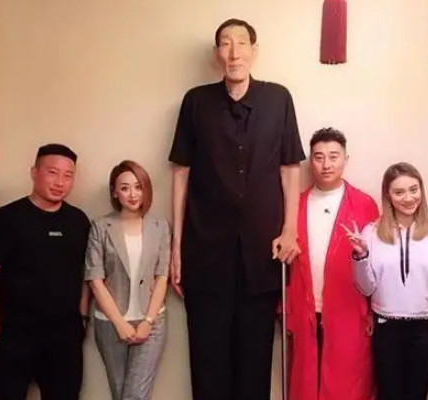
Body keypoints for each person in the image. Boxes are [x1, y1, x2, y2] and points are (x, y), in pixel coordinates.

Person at [168, 18, 305, 400]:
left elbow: (289, 169)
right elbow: (181, 173)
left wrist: (290, 228)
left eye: (242, 43)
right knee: (207, 363)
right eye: (226, 43)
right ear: (217, 54)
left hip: (261, 253)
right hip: (205, 251)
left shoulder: (278, 98)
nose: (234, 52)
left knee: (254, 363)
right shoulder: (196, 101)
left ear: (254, 51)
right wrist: (177, 246)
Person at [0, 144, 90, 400]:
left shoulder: (78, 221)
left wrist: (82, 319)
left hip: (64, 338)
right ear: (34, 172)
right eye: (52, 172)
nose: (60, 182)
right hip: (14, 335)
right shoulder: (5, 219)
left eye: (68, 175)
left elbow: (86, 273)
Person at [346, 162, 428, 400]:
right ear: (388, 196)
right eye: (399, 192)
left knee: (416, 394)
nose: (408, 198)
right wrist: (361, 256)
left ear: (421, 190)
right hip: (385, 327)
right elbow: (366, 287)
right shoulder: (371, 233)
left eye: (413, 189)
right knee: (388, 394)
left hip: (424, 329)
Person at [286, 128, 378, 400]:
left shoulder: (364, 204)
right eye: (319, 157)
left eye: (333, 156)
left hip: (350, 309)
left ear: (346, 159)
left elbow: (376, 263)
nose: (326, 164)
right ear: (310, 161)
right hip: (304, 308)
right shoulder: (296, 204)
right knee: (305, 381)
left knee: (346, 382)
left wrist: (372, 310)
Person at [84, 160, 169, 400]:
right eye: (125, 188)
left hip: (150, 322)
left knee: (134, 396)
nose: (133, 194)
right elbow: (95, 279)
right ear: (114, 192)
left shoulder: (160, 226)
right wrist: (119, 323)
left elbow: (162, 276)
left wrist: (148, 321)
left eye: (138, 187)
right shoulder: (101, 226)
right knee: (120, 393)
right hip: (110, 323)